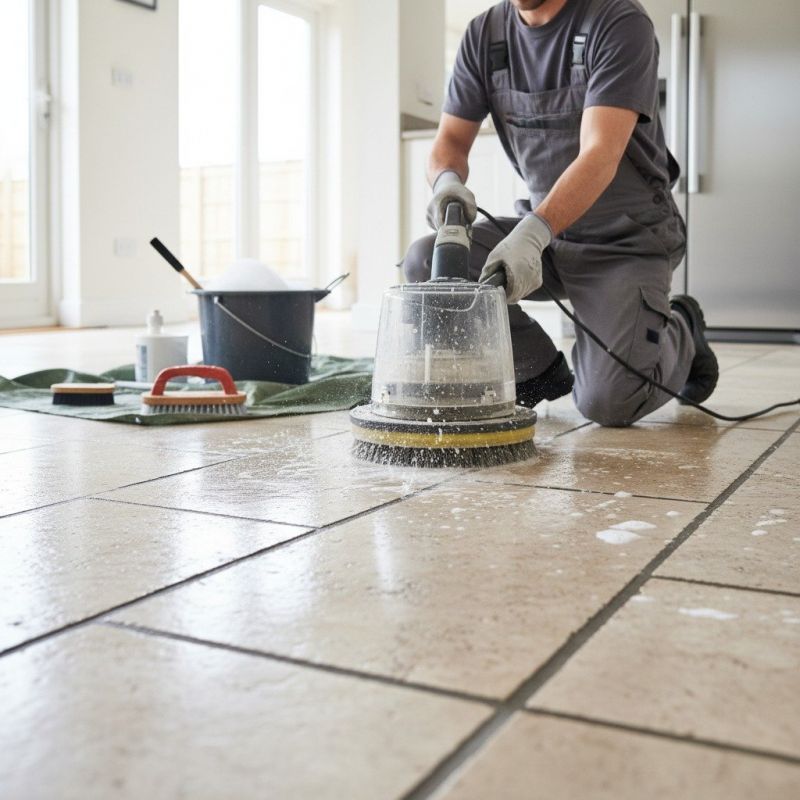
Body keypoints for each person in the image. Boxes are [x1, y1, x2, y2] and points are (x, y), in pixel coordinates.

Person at [403, 0, 719, 427]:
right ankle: (536, 369)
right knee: (427, 263)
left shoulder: (617, 20)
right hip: (549, 237)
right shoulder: (485, 35)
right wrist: (446, 182)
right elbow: (450, 142)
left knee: (609, 402)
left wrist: (533, 235)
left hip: (625, 241)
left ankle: (681, 328)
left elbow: (600, 153)